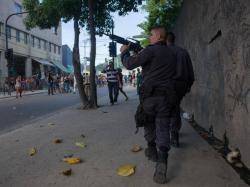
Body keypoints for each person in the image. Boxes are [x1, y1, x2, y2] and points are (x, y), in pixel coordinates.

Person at [120, 26, 177, 184]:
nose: (149, 38)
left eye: (151, 35)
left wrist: (124, 51)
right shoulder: (172, 53)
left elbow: (130, 64)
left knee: (148, 122)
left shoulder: (151, 50)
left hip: (150, 98)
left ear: (158, 35)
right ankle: (162, 161)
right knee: (163, 127)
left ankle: (152, 151)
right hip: (167, 98)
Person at [167, 32, 195, 147]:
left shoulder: (164, 53)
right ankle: (174, 132)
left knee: (170, 110)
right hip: (181, 86)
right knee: (175, 108)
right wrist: (188, 86)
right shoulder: (183, 52)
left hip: (169, 86)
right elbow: (191, 72)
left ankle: (173, 135)